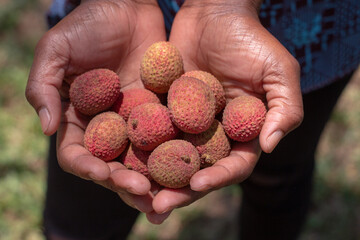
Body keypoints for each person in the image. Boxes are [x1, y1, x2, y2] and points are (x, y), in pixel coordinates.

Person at [25, 0, 359, 239]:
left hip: (295, 23)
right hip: (127, 29)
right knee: (84, 207)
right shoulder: (129, 105)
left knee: (279, 174)